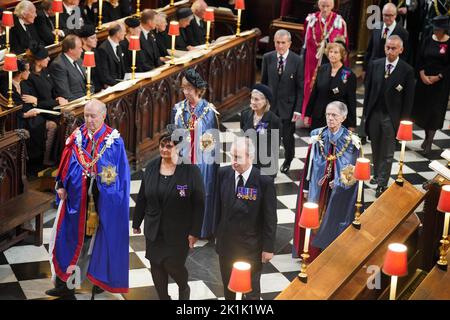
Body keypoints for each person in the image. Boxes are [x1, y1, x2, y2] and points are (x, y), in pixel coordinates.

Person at [47, 99, 130, 298]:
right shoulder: (77, 136)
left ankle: (97, 281)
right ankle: (64, 286)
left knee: (96, 244)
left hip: (101, 203)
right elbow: (65, 161)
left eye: (93, 116)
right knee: (67, 241)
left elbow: (121, 174)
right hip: (76, 202)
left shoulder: (114, 140)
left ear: (103, 115)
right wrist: (61, 184)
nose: (89, 120)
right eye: (85, 115)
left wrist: (108, 188)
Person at [132, 129, 205, 300]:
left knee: (174, 266)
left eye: (169, 146)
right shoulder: (151, 167)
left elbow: (199, 203)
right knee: (156, 265)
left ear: (178, 148)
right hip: (154, 229)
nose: (165, 149)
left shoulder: (190, 171)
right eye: (162, 145)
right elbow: (142, 196)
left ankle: (183, 288)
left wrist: (195, 232)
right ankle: (164, 298)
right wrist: (136, 222)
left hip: (179, 231)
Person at [293, 101, 360, 261]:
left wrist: (338, 181)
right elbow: (310, 164)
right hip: (319, 187)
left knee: (334, 217)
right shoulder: (317, 135)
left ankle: (332, 252)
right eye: (328, 114)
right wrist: (307, 187)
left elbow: (353, 170)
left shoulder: (352, 141)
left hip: (338, 190)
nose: (330, 118)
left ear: (343, 118)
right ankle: (312, 252)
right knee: (314, 214)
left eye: (334, 115)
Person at [215, 137, 277, 300]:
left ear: (250, 158)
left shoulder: (264, 181)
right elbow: (217, 208)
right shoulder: (223, 174)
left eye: (238, 157)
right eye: (232, 156)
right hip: (226, 246)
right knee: (229, 289)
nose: (233, 162)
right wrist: (217, 235)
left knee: (250, 292)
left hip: (251, 248)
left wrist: (268, 247)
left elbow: (270, 217)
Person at [363, 35, 415, 198]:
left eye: (394, 48)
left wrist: (403, 124)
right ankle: (377, 174)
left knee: (387, 152)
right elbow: (368, 91)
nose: (390, 51)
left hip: (392, 117)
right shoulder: (375, 65)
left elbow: (408, 100)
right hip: (374, 114)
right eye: (388, 47)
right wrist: (365, 114)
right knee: (376, 148)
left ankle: (382, 183)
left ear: (401, 50)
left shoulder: (406, 70)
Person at [172, 69, 219, 239]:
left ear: (198, 89)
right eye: (183, 88)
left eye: (189, 88)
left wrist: (197, 154)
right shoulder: (178, 109)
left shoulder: (209, 111)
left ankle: (201, 229)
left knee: (201, 193)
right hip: (183, 159)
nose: (186, 92)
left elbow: (212, 139)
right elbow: (175, 135)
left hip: (203, 160)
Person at [0, 59, 56, 174]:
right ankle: (29, 166)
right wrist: (25, 114)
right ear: (20, 73)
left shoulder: (24, 83)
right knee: (37, 128)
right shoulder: (7, 88)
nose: (29, 73)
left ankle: (43, 160)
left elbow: (33, 99)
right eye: (27, 70)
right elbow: (12, 109)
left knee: (52, 124)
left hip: (32, 116)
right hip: (19, 120)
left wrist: (34, 103)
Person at [261, 29, 303, 174]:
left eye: (283, 43)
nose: (280, 46)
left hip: (288, 108)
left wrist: (298, 109)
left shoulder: (297, 60)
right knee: (270, 137)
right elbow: (264, 83)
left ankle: (288, 159)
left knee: (287, 139)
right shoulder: (268, 57)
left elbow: (300, 88)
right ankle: (270, 165)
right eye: (277, 42)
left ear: (289, 43)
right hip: (271, 107)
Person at [302, 0, 348, 121]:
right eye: (323, 6)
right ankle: (308, 116)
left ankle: (328, 116)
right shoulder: (311, 20)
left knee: (327, 86)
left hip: (330, 60)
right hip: (313, 58)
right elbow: (305, 42)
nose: (325, 9)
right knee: (310, 84)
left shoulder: (339, 21)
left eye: (328, 6)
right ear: (318, 5)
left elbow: (343, 45)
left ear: (332, 6)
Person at [411, 15, 450, 156]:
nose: (435, 32)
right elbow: (420, 57)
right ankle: (426, 137)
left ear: (444, 30)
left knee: (435, 113)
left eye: (438, 29)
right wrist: (422, 75)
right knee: (425, 112)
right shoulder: (427, 40)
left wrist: (438, 77)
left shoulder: (449, 43)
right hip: (424, 81)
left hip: (440, 84)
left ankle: (429, 142)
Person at [25, 44, 68, 167]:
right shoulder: (29, 78)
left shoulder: (45, 72)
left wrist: (59, 97)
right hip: (40, 113)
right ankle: (46, 159)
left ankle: (61, 156)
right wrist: (55, 102)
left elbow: (53, 89)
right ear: (38, 61)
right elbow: (34, 103)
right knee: (54, 125)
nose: (49, 59)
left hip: (51, 107)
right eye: (46, 57)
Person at [305, 39, 356, 130]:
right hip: (319, 115)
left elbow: (351, 100)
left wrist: (352, 124)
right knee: (318, 142)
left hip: (336, 118)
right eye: (330, 52)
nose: (332, 54)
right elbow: (314, 93)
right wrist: (307, 114)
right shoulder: (322, 69)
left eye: (336, 52)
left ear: (342, 55)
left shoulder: (347, 74)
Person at [240, 84, 281, 178]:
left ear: (265, 101)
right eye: (252, 98)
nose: (253, 102)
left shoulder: (274, 120)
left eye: (256, 99)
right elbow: (242, 138)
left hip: (265, 167)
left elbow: (275, 148)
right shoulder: (245, 115)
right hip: (248, 164)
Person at [364, 3, 409, 72]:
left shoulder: (403, 33)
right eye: (385, 15)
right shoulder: (377, 26)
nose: (387, 18)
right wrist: (365, 69)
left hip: (390, 70)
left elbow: (404, 56)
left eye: (390, 15)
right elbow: (369, 50)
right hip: (373, 68)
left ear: (395, 15)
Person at [49, 34, 87, 101]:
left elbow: (89, 82)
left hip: (87, 98)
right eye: (80, 48)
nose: (82, 50)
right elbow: (65, 93)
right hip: (76, 103)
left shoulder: (79, 59)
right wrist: (83, 102)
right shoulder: (58, 65)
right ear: (71, 50)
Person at [96, 22, 126, 89]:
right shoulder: (103, 49)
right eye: (124, 31)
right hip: (112, 86)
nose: (125, 33)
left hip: (121, 83)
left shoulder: (119, 44)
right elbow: (105, 75)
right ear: (117, 34)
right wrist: (119, 85)